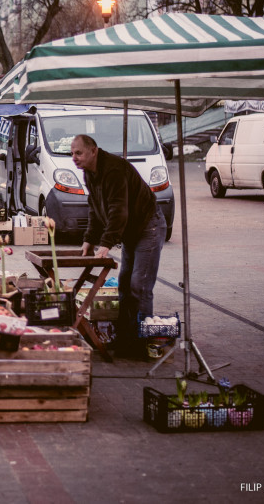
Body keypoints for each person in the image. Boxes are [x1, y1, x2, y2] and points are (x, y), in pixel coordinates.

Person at [70, 133, 166, 358]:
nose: (74, 158)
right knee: (124, 285)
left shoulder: (114, 170)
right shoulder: (90, 173)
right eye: (72, 153)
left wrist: (106, 243)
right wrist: (89, 239)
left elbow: (118, 210)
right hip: (131, 231)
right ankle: (125, 339)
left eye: (79, 153)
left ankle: (141, 344)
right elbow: (95, 208)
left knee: (139, 286)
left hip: (148, 226)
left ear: (93, 151)